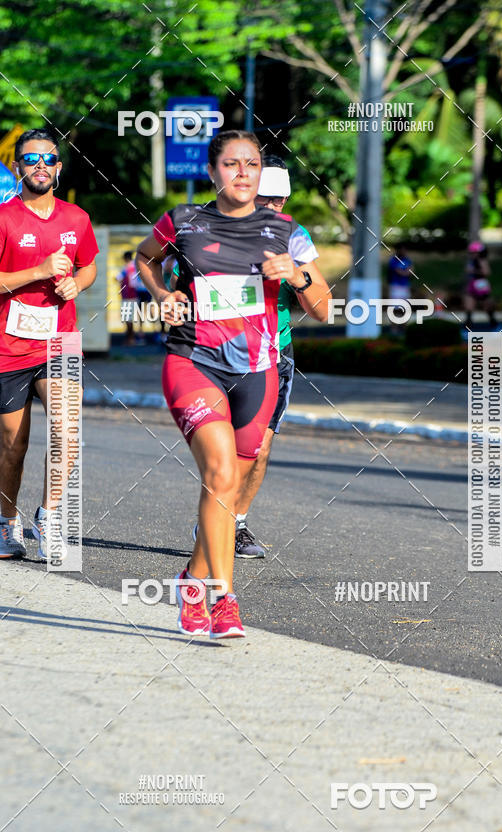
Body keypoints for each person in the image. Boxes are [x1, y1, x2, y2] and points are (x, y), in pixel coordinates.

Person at [136, 129, 331, 639]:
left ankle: (192, 583)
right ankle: (225, 599)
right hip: (193, 360)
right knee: (219, 473)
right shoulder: (184, 221)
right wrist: (161, 293)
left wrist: (297, 276)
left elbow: (326, 309)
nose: (241, 172)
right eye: (230, 164)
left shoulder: (285, 229)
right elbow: (145, 257)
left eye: (250, 163)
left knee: (231, 484)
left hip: (258, 371)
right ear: (213, 171)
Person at [0, 128, 99, 560]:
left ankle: (48, 516)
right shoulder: (0, 220)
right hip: (10, 347)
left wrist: (75, 285)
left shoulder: (76, 219)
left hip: (60, 342)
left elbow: (89, 268)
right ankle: (8, 522)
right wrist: (38, 271)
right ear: (18, 168)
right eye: (31, 159)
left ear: (59, 168)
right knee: (15, 444)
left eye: (48, 158)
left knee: (66, 431)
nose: (40, 166)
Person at [233, 154, 329, 558]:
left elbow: (323, 310)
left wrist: (297, 275)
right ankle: (214, 516)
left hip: (274, 352)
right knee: (223, 447)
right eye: (265, 199)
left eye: (280, 201)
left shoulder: (294, 235)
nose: (273, 209)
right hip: (215, 352)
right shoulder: (209, 225)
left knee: (259, 447)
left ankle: (234, 523)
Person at [464, 240, 497, 330]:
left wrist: (474, 271)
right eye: (472, 253)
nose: (473, 254)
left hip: (480, 284)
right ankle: (468, 326)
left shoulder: (481, 261)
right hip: (472, 283)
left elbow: (487, 272)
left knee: (486, 304)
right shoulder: (471, 261)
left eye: (475, 252)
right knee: (469, 305)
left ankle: (493, 323)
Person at [116, 250, 140, 345]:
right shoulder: (135, 267)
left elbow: (118, 278)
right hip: (134, 295)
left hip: (128, 296)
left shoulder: (127, 268)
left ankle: (130, 339)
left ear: (125, 258)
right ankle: (131, 338)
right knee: (130, 318)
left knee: (128, 319)